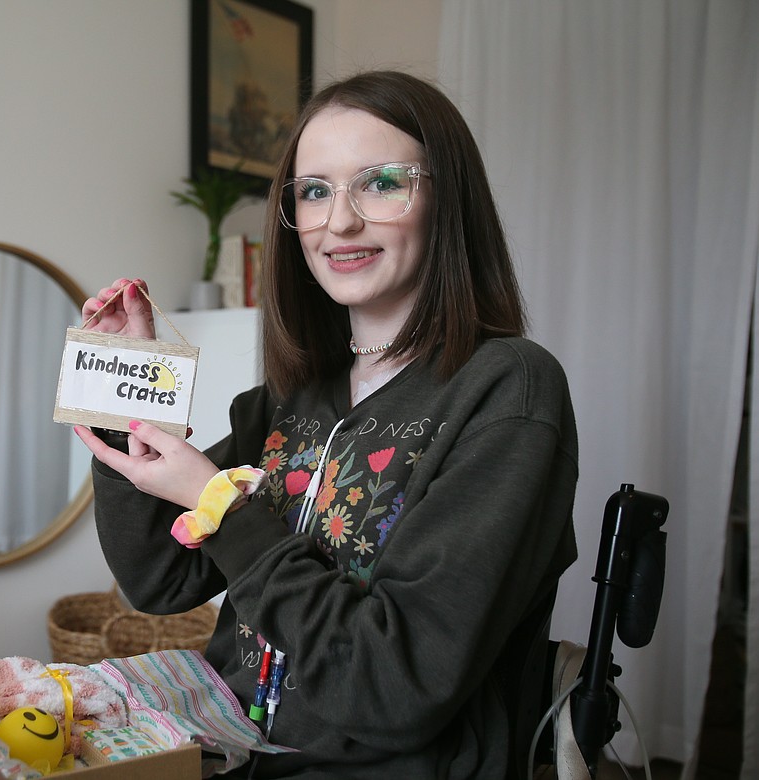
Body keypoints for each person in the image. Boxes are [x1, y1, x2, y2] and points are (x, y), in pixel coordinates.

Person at [74, 70, 578, 778]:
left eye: (380, 183)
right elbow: (158, 580)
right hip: (232, 751)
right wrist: (133, 393)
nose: (340, 221)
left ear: (447, 199)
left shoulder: (508, 391)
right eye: (314, 191)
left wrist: (223, 505)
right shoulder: (289, 398)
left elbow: (395, 686)